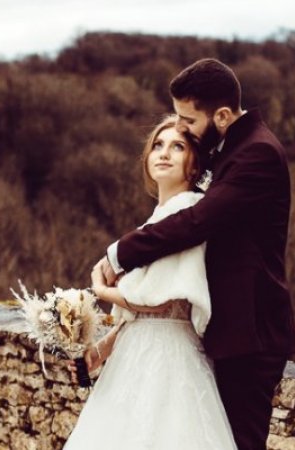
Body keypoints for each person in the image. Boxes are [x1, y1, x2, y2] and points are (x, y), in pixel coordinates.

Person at [101, 58, 295, 450]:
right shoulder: (228, 149)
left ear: (222, 115)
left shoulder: (256, 153)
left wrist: (120, 252)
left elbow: (197, 220)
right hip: (228, 331)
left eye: (188, 121)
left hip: (251, 333)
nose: (182, 128)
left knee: (240, 443)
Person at [64, 115, 237, 449]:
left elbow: (160, 301)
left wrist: (103, 292)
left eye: (177, 147)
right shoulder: (158, 218)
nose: (164, 153)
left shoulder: (189, 211)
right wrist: (103, 349)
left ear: (193, 164)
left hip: (169, 355)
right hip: (138, 350)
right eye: (157, 145)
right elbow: (142, 313)